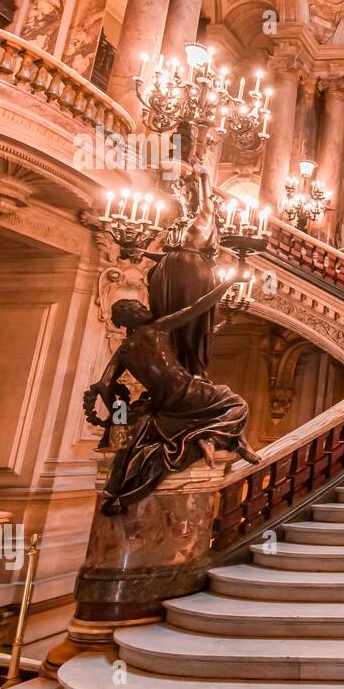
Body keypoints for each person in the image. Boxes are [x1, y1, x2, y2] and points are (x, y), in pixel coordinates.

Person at [88, 279, 260, 515]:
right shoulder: (156, 329)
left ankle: (208, 438)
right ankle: (210, 437)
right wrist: (228, 282)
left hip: (164, 403)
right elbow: (196, 308)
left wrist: (119, 418)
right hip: (190, 392)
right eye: (139, 308)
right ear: (132, 317)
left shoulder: (124, 351)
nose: (145, 309)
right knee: (236, 403)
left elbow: (106, 385)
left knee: (157, 429)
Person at [146, 163, 221, 376]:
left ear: (196, 195)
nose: (183, 197)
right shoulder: (180, 223)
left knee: (189, 319)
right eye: (180, 193)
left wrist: (205, 177)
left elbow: (209, 203)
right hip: (169, 272)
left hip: (193, 275)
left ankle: (191, 371)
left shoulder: (204, 218)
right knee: (166, 318)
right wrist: (139, 251)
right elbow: (168, 253)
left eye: (187, 193)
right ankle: (172, 366)